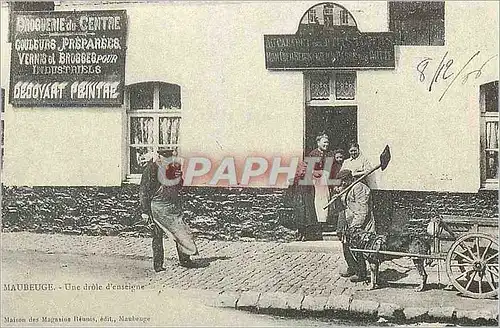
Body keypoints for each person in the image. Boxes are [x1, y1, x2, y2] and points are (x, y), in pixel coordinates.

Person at [139, 149, 198, 272]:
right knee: (157, 235)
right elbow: (144, 191)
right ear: (159, 158)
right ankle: (158, 265)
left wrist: (179, 178)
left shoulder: (173, 168)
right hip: (156, 206)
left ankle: (185, 260)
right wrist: (145, 211)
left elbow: (179, 186)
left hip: (171, 205)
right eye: (164, 158)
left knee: (180, 230)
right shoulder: (151, 169)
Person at [335, 169, 375, 283]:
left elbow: (363, 211)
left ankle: (361, 273)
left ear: (349, 178)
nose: (342, 183)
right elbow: (345, 202)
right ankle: (352, 268)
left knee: (357, 248)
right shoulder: (347, 187)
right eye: (341, 181)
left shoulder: (359, 188)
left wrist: (355, 228)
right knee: (346, 246)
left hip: (360, 222)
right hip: (348, 220)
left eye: (344, 181)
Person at [285, 161, 320, 241]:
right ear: (298, 170)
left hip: (307, 201)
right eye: (302, 170)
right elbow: (291, 190)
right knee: (299, 218)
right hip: (298, 201)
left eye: (305, 170)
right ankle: (300, 234)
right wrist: (292, 199)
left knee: (307, 219)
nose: (303, 172)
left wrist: (310, 200)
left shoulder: (308, 179)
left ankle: (306, 235)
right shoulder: (294, 179)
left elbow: (312, 191)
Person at [308, 133, 335, 226]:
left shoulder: (328, 154)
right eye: (324, 142)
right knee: (320, 199)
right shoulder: (313, 154)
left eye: (327, 142)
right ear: (318, 142)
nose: (326, 144)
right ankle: (321, 221)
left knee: (327, 198)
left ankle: (326, 220)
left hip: (327, 180)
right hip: (317, 180)